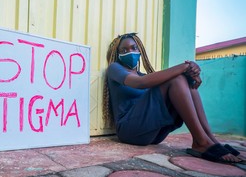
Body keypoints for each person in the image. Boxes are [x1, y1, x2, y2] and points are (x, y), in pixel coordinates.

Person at [103, 33, 245, 163]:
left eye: (133, 48)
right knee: (177, 78)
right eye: (124, 50)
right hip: (129, 130)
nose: (130, 52)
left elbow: (147, 80)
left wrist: (188, 72)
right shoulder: (115, 69)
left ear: (140, 50)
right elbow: (140, 83)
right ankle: (202, 143)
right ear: (118, 54)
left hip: (154, 134)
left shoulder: (143, 74)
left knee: (186, 80)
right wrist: (186, 67)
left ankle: (209, 139)